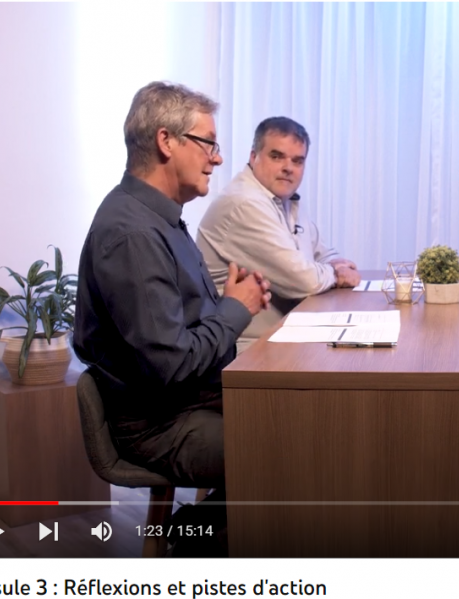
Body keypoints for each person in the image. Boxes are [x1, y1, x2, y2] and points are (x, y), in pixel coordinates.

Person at [74, 81, 271, 502]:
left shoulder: (157, 218)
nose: (217, 158)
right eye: (208, 143)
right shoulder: (133, 234)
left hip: (193, 401)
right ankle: (196, 538)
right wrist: (235, 309)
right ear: (166, 141)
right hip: (163, 423)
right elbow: (173, 365)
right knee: (290, 451)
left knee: (304, 422)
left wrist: (228, 302)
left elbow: (178, 331)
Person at [196, 117, 361, 349]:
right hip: (244, 349)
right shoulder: (244, 203)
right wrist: (335, 273)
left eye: (297, 161)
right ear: (253, 157)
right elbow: (304, 280)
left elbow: (324, 253)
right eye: (276, 156)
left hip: (287, 336)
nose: (288, 168)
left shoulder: (285, 200)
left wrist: (336, 264)